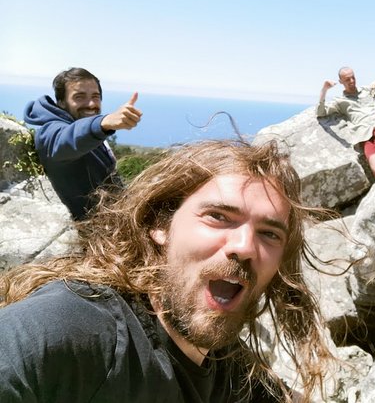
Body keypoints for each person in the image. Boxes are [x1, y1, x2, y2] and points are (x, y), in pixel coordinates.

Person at [0, 140, 334, 402]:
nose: (245, 246)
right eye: (218, 216)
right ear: (161, 225)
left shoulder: (226, 367)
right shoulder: (80, 328)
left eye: (270, 233)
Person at [23, 67, 142, 220]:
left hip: (116, 221)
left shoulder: (87, 131)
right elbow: (64, 140)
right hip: (94, 235)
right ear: (61, 103)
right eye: (79, 97)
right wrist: (103, 122)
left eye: (95, 96)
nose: (91, 104)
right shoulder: (50, 131)